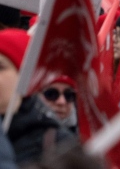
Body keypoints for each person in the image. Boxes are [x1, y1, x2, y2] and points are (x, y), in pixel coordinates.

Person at [0, 30, 75, 165]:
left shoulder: (58, 146)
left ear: (24, 77)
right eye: (51, 94)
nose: (61, 101)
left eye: (1, 67)